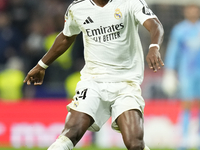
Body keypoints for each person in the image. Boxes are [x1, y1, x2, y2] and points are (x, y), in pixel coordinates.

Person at [24, 0, 164, 150]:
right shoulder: (77, 8)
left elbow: (155, 25)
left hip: (126, 84)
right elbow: (66, 37)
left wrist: (154, 47)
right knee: (69, 134)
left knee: (135, 143)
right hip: (93, 82)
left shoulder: (129, 2)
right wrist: (41, 65)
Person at [162, 4, 200, 150]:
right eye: (190, 10)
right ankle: (184, 139)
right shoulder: (179, 30)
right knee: (187, 104)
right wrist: (170, 71)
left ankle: (197, 138)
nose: (193, 12)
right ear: (185, 12)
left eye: (195, 10)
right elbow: (173, 51)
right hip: (187, 73)